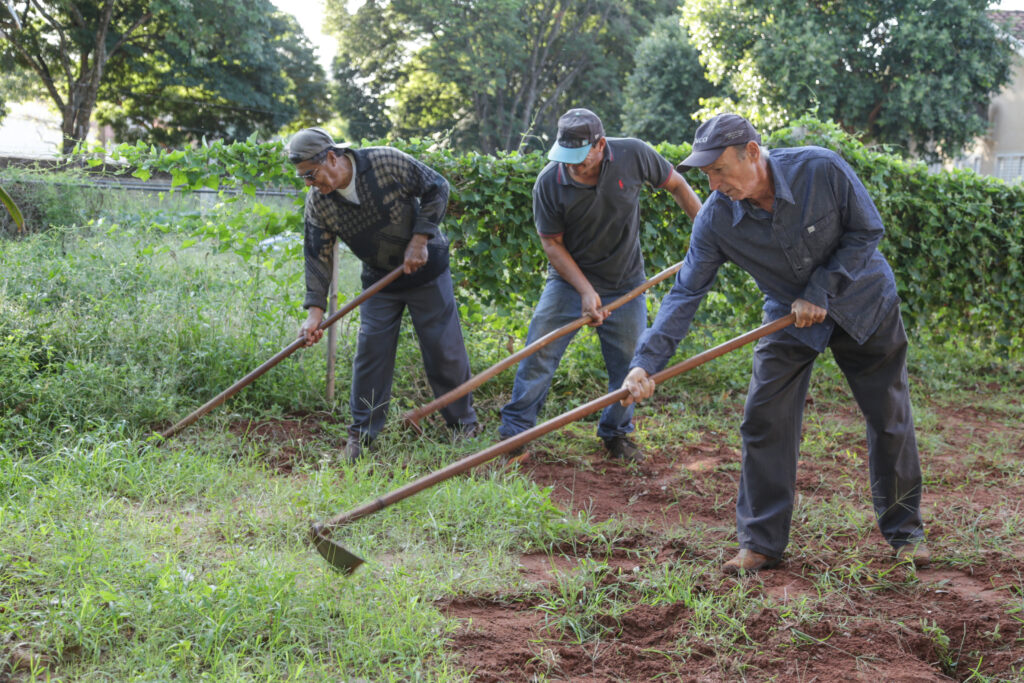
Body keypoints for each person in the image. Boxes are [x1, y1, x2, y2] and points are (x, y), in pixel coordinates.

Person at [621, 113, 929, 573]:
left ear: (751, 152)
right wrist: (646, 361)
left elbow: (867, 230)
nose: (712, 183)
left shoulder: (820, 168)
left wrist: (821, 288)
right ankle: (761, 543)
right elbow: (686, 291)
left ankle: (906, 534)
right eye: (705, 174)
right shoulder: (716, 220)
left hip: (864, 303)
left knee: (889, 417)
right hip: (788, 315)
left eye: (719, 170)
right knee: (764, 417)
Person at [498, 108, 702, 463]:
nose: (573, 167)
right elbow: (552, 244)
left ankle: (615, 435)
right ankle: (514, 434)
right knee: (539, 353)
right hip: (568, 281)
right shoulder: (549, 182)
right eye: (566, 158)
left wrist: (706, 235)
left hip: (626, 281)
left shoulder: (634, 154)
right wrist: (584, 290)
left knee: (630, 364)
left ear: (601, 145)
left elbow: (678, 185)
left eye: (580, 158)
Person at [287, 127, 478, 461]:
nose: (309, 184)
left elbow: (437, 188)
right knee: (370, 354)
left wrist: (420, 241)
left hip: (426, 271)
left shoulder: (385, 161)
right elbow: (317, 254)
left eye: (311, 174)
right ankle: (362, 438)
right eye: (304, 177)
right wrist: (314, 313)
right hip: (380, 281)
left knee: (443, 350)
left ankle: (464, 428)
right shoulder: (319, 201)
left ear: (332, 157)